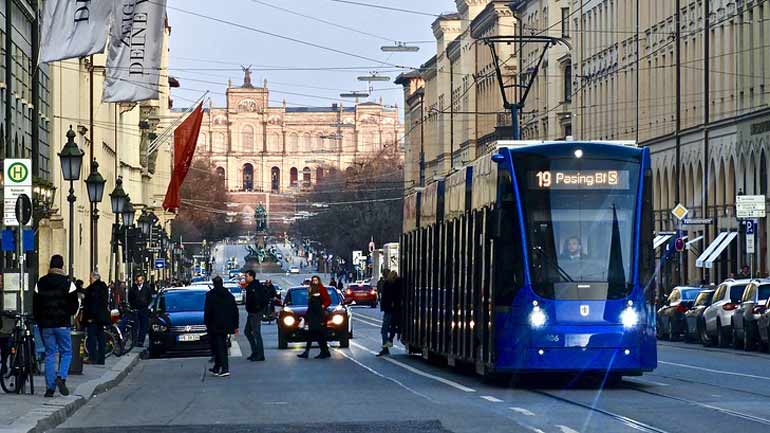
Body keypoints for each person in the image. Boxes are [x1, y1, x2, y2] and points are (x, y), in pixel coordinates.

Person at [33, 255, 79, 398]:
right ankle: (62, 376)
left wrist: (40, 320)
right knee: (66, 352)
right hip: (62, 324)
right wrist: (67, 314)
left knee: (49, 355)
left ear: (50, 266)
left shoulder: (40, 283)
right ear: (62, 266)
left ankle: (50, 388)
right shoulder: (68, 284)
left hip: (46, 325)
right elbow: (74, 305)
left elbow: (36, 306)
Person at [204, 276, 239, 377]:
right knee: (221, 345)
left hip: (214, 325)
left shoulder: (210, 295)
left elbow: (208, 311)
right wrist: (235, 325)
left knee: (219, 347)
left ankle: (224, 368)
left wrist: (206, 323)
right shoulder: (229, 295)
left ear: (213, 284)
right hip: (226, 325)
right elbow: (234, 311)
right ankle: (216, 367)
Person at [298, 275, 331, 359]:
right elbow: (310, 306)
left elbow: (327, 300)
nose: (314, 282)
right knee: (315, 334)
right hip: (313, 316)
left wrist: (323, 307)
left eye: (316, 280)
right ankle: (322, 352)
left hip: (318, 316)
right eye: (313, 280)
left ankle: (323, 352)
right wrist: (306, 317)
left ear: (318, 281)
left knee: (318, 335)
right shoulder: (311, 290)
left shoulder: (321, 289)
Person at [83, 272, 110, 365]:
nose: (89, 280)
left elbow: (93, 304)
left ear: (94, 278)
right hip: (102, 318)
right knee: (101, 337)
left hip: (94, 318)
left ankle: (92, 357)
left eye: (90, 278)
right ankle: (101, 358)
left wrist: (91, 317)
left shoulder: (93, 289)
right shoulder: (103, 287)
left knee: (92, 338)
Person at [243, 270, 267, 361]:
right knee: (247, 331)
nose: (245, 278)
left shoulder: (255, 287)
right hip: (252, 313)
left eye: (246, 276)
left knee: (256, 333)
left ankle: (260, 354)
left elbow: (257, 300)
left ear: (251, 277)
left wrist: (257, 310)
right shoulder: (251, 286)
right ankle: (255, 352)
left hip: (255, 313)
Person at [377, 270, 402, 357]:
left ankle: (386, 347)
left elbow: (385, 298)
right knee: (393, 326)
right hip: (397, 310)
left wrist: (384, 306)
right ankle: (389, 341)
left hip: (389, 310)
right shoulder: (398, 283)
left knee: (384, 329)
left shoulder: (387, 284)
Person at [128, 274, 152, 348]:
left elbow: (149, 298)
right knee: (135, 326)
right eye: (138, 281)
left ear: (143, 281)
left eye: (140, 280)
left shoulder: (147, 289)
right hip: (135, 309)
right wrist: (133, 306)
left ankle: (141, 341)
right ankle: (135, 341)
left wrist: (146, 306)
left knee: (143, 326)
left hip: (144, 309)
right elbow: (130, 299)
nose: (139, 282)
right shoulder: (132, 289)